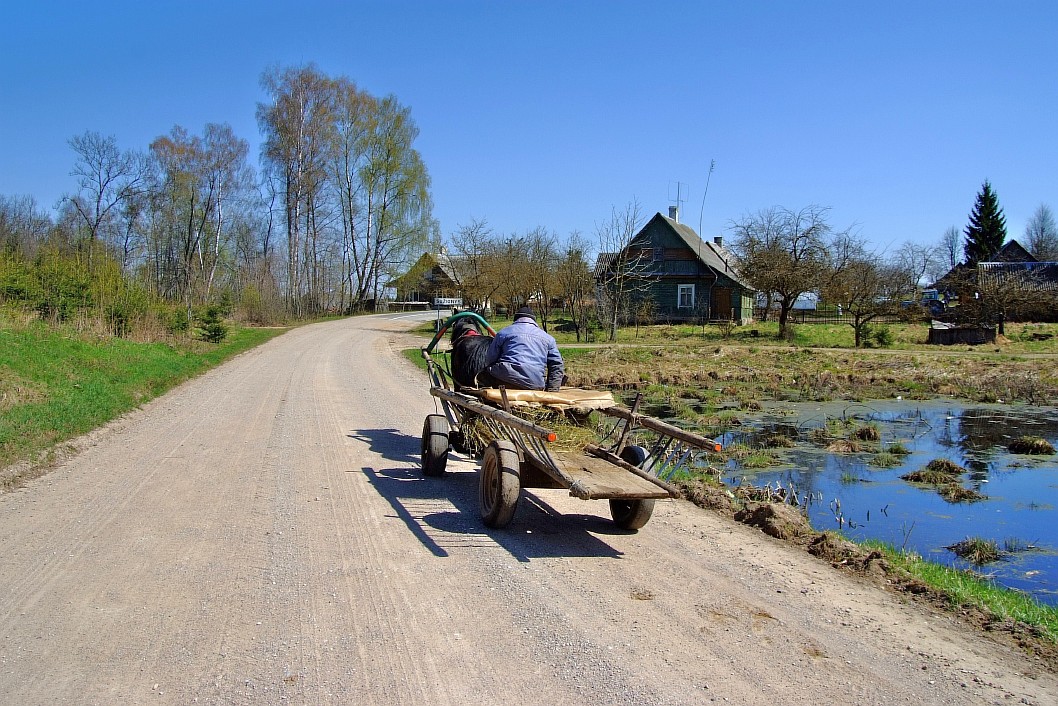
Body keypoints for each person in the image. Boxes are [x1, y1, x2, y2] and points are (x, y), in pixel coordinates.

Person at [478, 306, 564, 391]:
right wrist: (552, 390)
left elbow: (490, 359)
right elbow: (557, 365)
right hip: (534, 383)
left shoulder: (503, 333)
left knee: (482, 375)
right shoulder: (548, 338)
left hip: (504, 379)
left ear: (515, 319)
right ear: (534, 321)